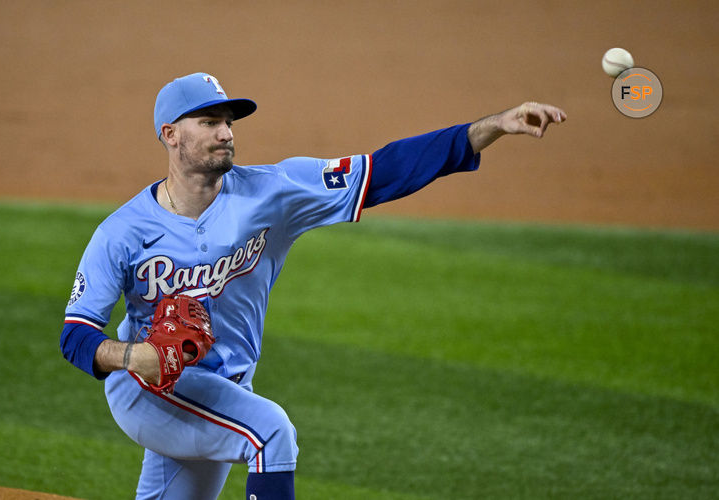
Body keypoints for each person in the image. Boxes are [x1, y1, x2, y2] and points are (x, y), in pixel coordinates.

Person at [60, 72, 566, 500]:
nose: (225, 133)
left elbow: (385, 171)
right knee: (269, 432)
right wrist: (135, 357)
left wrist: (493, 127)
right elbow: (76, 335)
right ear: (170, 134)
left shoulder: (273, 192)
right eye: (209, 122)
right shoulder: (122, 232)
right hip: (149, 388)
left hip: (224, 388)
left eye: (229, 123)